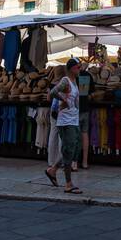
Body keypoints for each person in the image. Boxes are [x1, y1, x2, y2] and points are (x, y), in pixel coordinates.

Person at [45, 58, 83, 194]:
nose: (80, 70)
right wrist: (64, 100)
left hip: (73, 119)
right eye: (78, 67)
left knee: (74, 148)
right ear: (72, 68)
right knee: (68, 150)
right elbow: (53, 92)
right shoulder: (65, 81)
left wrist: (75, 108)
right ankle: (68, 183)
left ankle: (53, 169)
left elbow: (74, 99)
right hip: (65, 122)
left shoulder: (74, 82)